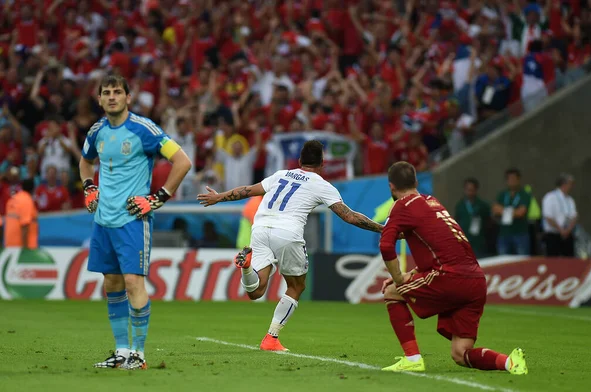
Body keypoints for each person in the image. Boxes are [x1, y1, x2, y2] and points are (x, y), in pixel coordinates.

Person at [198, 140, 383, 351]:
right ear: (322, 164)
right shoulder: (321, 184)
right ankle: (271, 338)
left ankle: (246, 267)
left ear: (299, 161)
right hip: (287, 233)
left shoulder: (280, 175)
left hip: (259, 228)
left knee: (256, 291)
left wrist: (218, 197)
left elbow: (248, 190)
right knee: (296, 286)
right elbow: (349, 216)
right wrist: (382, 229)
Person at [79, 74, 192, 370]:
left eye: (118, 92)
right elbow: (85, 161)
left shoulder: (144, 130)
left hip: (133, 219)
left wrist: (158, 198)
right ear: (100, 99)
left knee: (133, 282)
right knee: (112, 283)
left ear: (128, 98)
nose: (112, 96)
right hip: (103, 220)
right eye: (107, 92)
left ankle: (139, 356)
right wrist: (89, 186)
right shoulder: (96, 132)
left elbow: (182, 161)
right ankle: (121, 351)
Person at [378, 162, 527, 375]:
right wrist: (408, 274)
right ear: (416, 182)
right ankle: (510, 362)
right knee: (460, 353)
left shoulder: (402, 206)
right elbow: (441, 250)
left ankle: (412, 359)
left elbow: (385, 245)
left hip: (449, 277)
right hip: (475, 280)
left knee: (392, 292)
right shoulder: (433, 202)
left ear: (391, 187)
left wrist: (399, 279)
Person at [492, 168, 531, 255]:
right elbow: (495, 210)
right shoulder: (502, 194)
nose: (512, 181)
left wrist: (502, 210)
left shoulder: (524, 194)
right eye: (509, 179)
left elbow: (521, 212)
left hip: (520, 233)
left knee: (521, 261)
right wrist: (513, 212)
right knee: (503, 262)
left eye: (514, 179)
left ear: (518, 179)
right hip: (504, 233)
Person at [542, 174, 577, 257]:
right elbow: (548, 217)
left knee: (569, 260)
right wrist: (561, 230)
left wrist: (568, 230)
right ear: (563, 184)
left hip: (567, 234)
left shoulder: (570, 199)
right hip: (553, 234)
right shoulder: (550, 197)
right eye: (570, 184)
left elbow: (574, 216)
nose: (571, 187)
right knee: (553, 261)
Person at [454, 178, 491, 258]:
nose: (469, 192)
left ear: (476, 190)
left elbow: (488, 222)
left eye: (472, 190)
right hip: (465, 243)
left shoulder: (482, 205)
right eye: (468, 190)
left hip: (479, 242)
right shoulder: (460, 206)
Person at [3, 178, 38, 249]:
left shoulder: (12, 200)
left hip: (9, 245)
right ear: (33, 189)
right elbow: (25, 225)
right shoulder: (27, 201)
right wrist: (24, 250)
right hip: (22, 247)